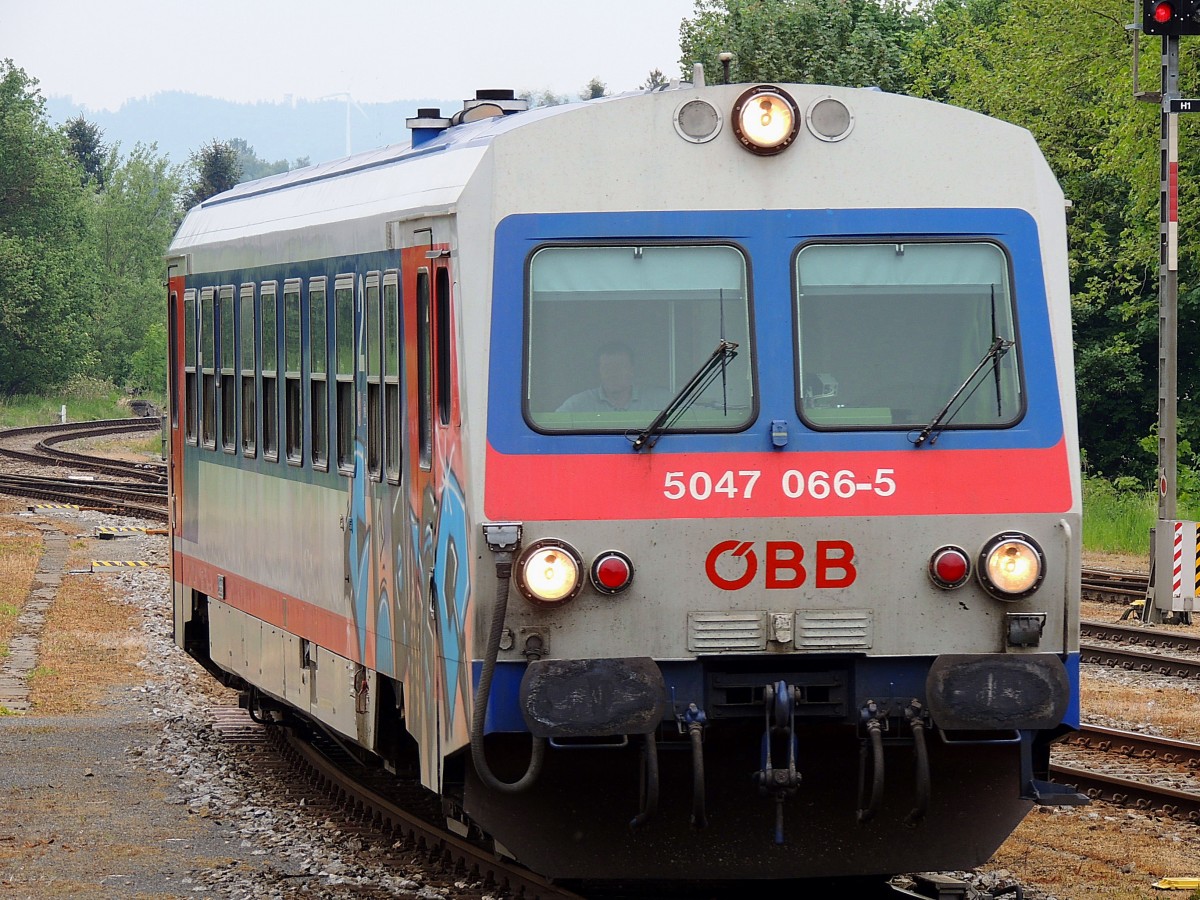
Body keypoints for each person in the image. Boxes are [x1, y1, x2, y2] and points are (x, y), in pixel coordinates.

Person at [556, 341, 671, 412]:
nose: (613, 373)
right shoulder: (577, 404)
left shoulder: (660, 400)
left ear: (632, 369)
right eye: (607, 367)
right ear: (599, 371)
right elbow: (552, 430)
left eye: (620, 367)